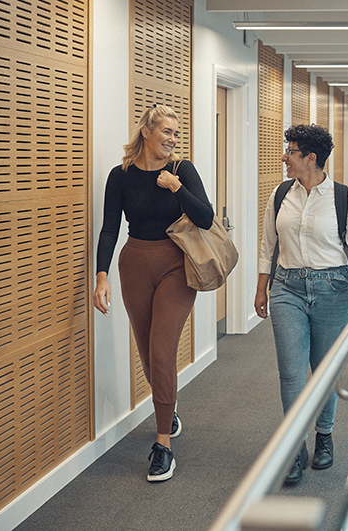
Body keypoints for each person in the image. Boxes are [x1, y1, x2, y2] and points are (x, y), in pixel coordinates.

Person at [92, 105, 215, 482]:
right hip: (135, 265)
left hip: (177, 265)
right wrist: (101, 276)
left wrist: (177, 188)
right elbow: (110, 228)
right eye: (166, 131)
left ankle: (163, 445)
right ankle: (169, 407)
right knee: (147, 351)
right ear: (146, 131)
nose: (172, 139)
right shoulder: (121, 176)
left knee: (162, 351)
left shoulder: (182, 170)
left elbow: (206, 217)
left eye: (176, 133)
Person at [254, 124, 348, 485]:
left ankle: (324, 435)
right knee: (291, 373)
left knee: (325, 370)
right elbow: (267, 246)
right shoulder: (279, 194)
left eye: (290, 151)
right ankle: (294, 446)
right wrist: (262, 289)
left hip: (334, 289)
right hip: (287, 287)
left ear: (311, 158)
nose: (284, 157)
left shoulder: (343, 197)